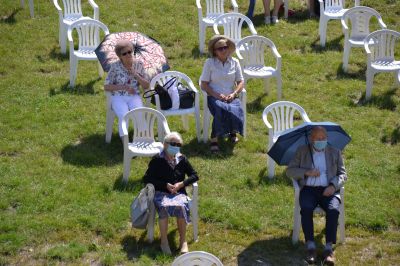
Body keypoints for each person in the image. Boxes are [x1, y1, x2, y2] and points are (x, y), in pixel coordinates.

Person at [286, 126, 347, 265]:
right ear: (311, 139)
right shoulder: (302, 151)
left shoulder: (335, 152)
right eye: (318, 138)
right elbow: (290, 171)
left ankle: (328, 249)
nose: (321, 141)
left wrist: (332, 186)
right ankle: (311, 246)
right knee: (306, 208)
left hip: (328, 190)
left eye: (324, 138)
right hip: (309, 189)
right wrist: (307, 172)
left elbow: (343, 174)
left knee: (333, 210)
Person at [143, 132, 199, 255]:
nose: (176, 146)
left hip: (178, 193)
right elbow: (147, 179)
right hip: (161, 193)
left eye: (178, 144)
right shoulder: (157, 159)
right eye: (173, 144)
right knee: (164, 207)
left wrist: (181, 184)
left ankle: (183, 241)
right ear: (165, 144)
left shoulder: (182, 159)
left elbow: (195, 175)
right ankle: (164, 242)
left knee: (181, 206)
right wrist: (165, 185)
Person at [200, 35, 245, 152]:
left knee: (236, 107)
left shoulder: (235, 62)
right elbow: (203, 84)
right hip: (214, 96)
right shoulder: (209, 63)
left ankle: (233, 132)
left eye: (225, 47)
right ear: (215, 51)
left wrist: (234, 93)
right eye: (220, 49)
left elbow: (241, 82)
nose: (224, 50)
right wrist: (216, 95)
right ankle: (214, 138)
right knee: (220, 107)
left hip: (230, 95)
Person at [104, 40, 150, 139]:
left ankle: (144, 139)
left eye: (130, 51)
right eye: (124, 53)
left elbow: (146, 86)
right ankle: (125, 142)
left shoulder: (139, 64)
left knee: (139, 113)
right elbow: (106, 86)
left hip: (134, 96)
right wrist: (123, 87)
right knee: (123, 115)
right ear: (120, 56)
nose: (128, 55)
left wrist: (136, 74)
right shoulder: (115, 66)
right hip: (118, 96)